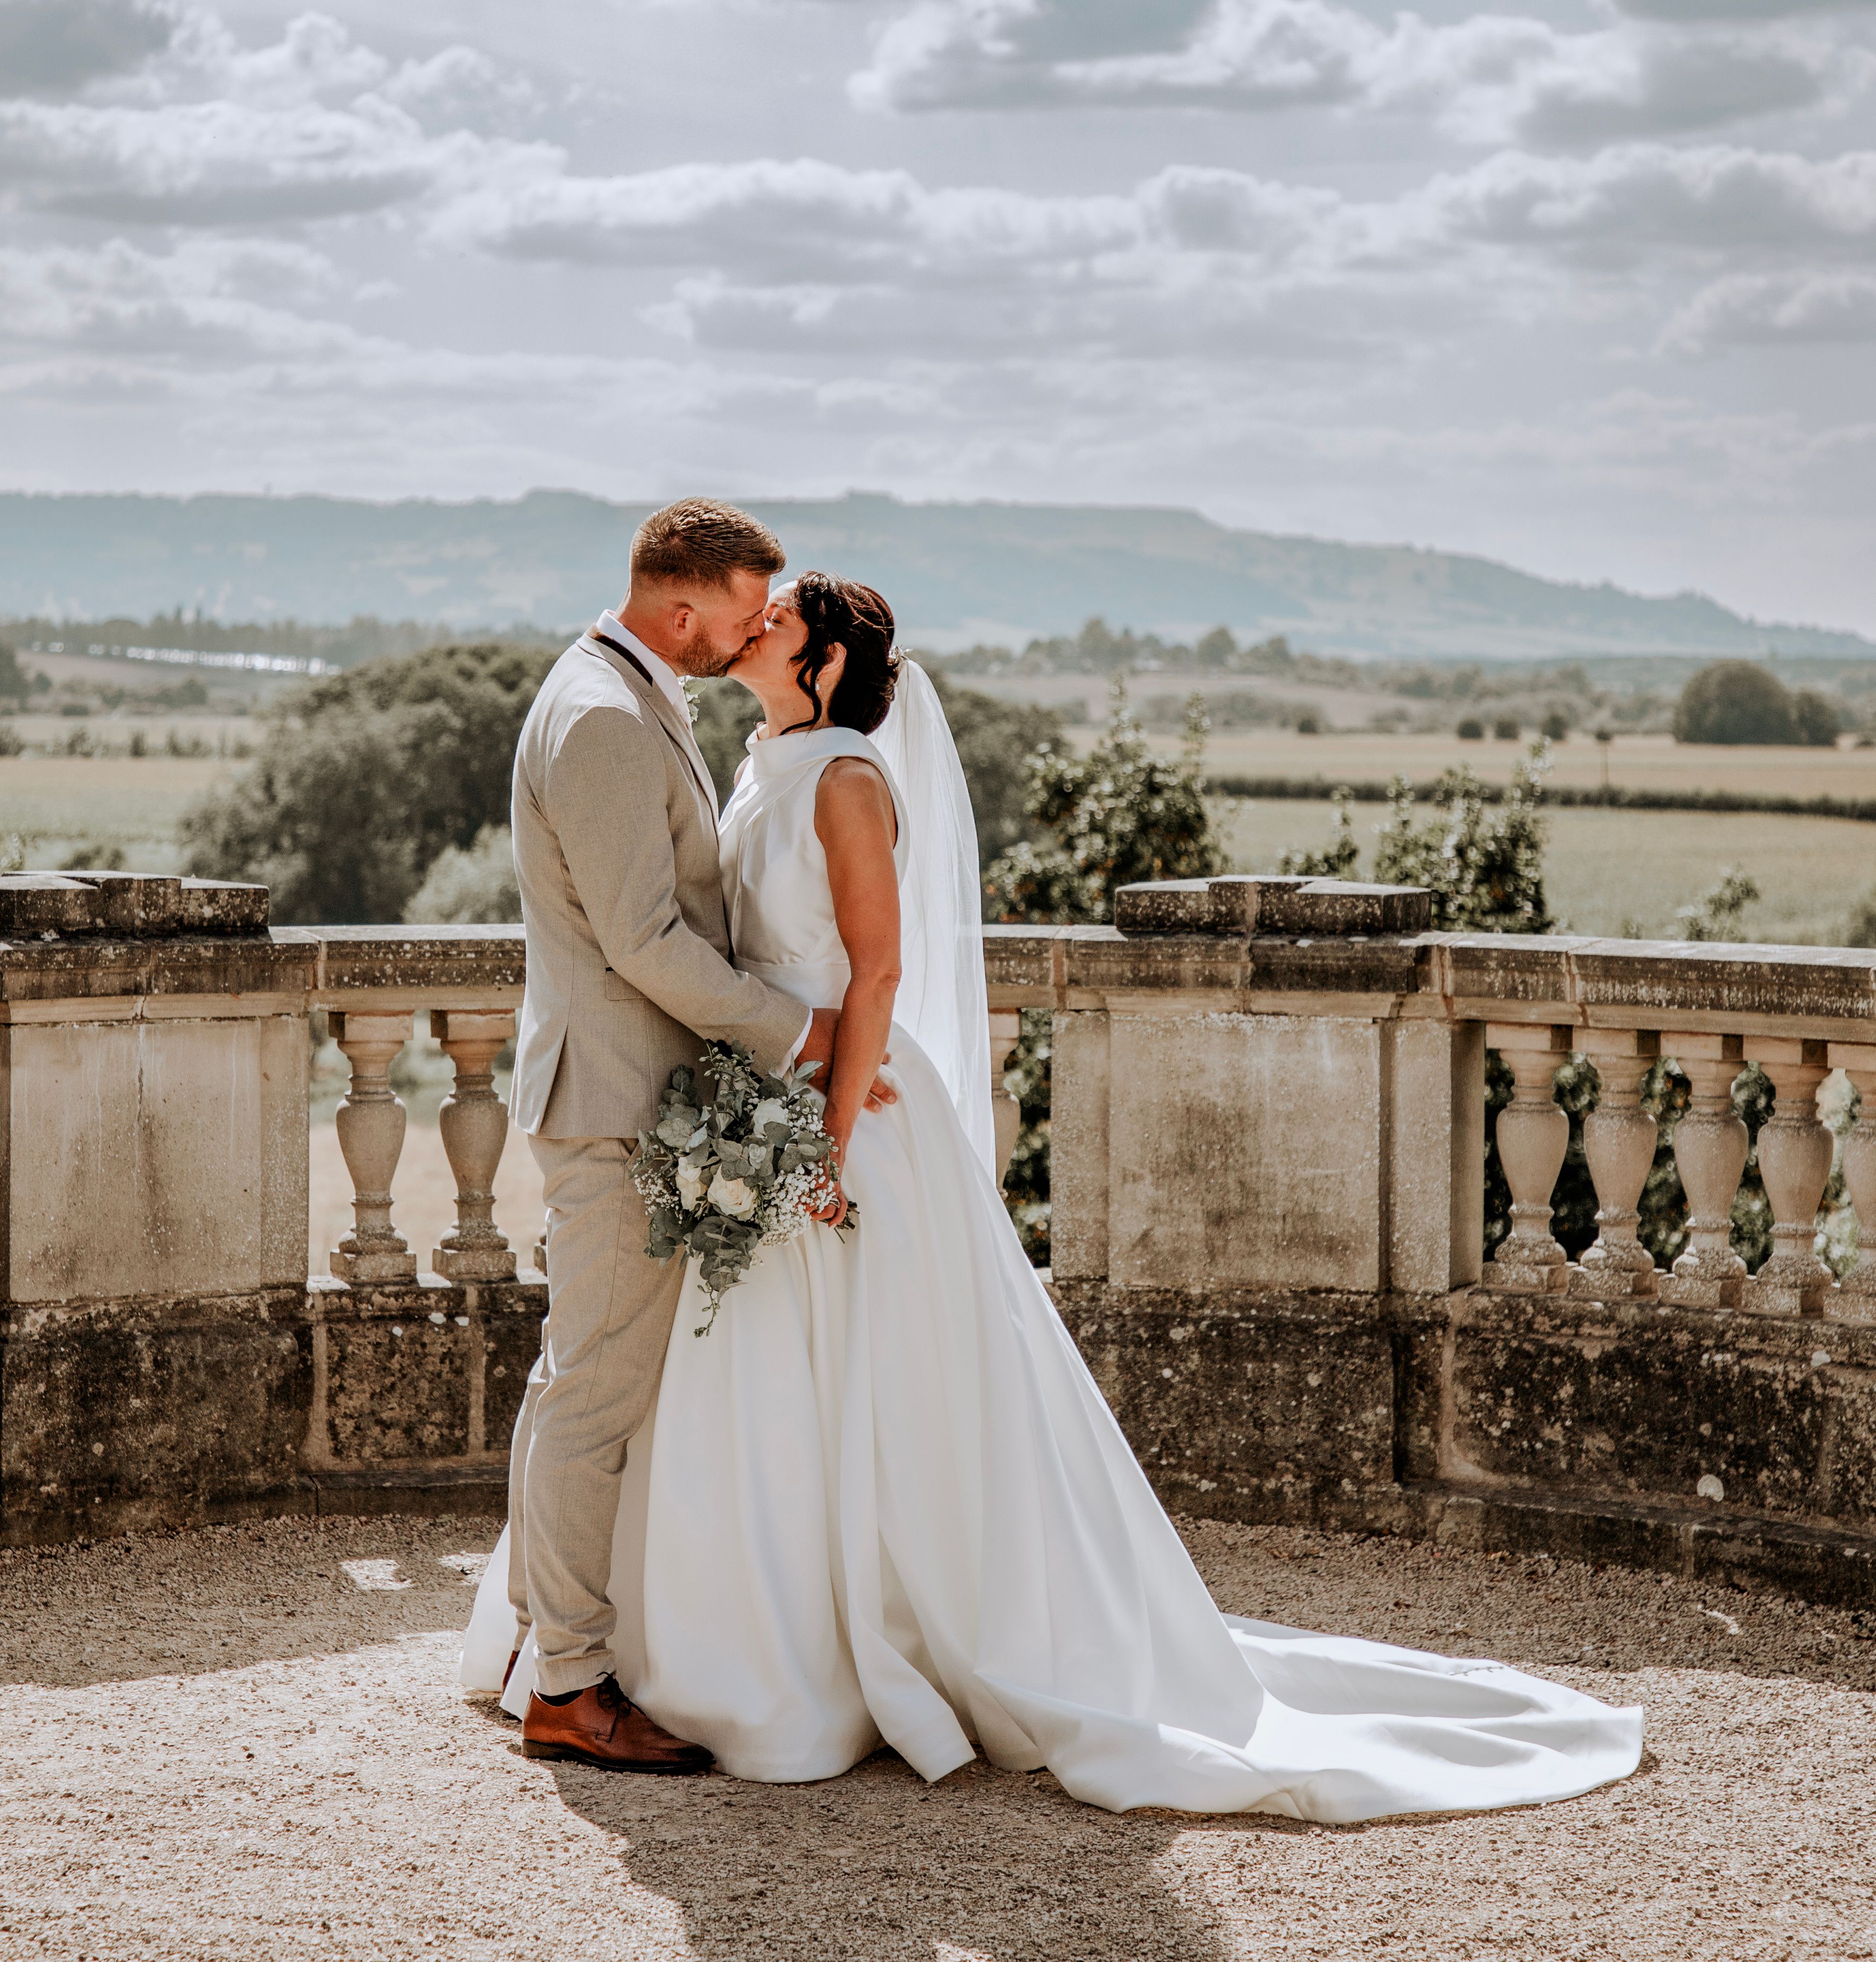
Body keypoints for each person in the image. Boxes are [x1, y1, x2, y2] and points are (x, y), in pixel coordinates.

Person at [471, 565, 1644, 1821]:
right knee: (741, 1387)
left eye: (780, 617)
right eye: (751, 609)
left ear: (821, 664)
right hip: (766, 1091)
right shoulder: (757, 758)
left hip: (844, 1108)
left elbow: (875, 976)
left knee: (873, 1387)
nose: (755, 624)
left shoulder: (848, 780)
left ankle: (859, 1645)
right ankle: (709, 1642)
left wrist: (817, 1130)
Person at [499, 499, 891, 1776]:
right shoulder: (607, 717)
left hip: (635, 1094)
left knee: (581, 1372)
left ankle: (539, 1643)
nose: (748, 637)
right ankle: (566, 1679)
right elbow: (644, 942)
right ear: (684, 609)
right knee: (594, 1386)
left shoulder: (624, 684)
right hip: (614, 1105)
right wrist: (801, 1034)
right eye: (738, 615)